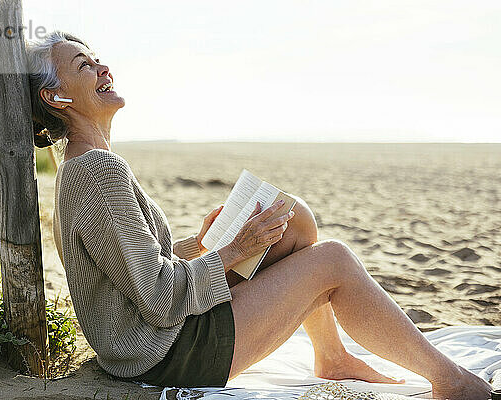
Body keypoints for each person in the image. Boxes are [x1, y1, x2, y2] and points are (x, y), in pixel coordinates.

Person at [25, 31, 491, 400]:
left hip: (152, 336)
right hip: (161, 352)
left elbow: (137, 268)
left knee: (295, 222)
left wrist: (202, 246)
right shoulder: (96, 171)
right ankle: (450, 381)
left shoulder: (90, 166)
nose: (104, 67)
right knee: (332, 261)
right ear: (57, 98)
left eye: (97, 58)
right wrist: (232, 251)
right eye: (84, 66)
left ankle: (332, 357)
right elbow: (157, 298)